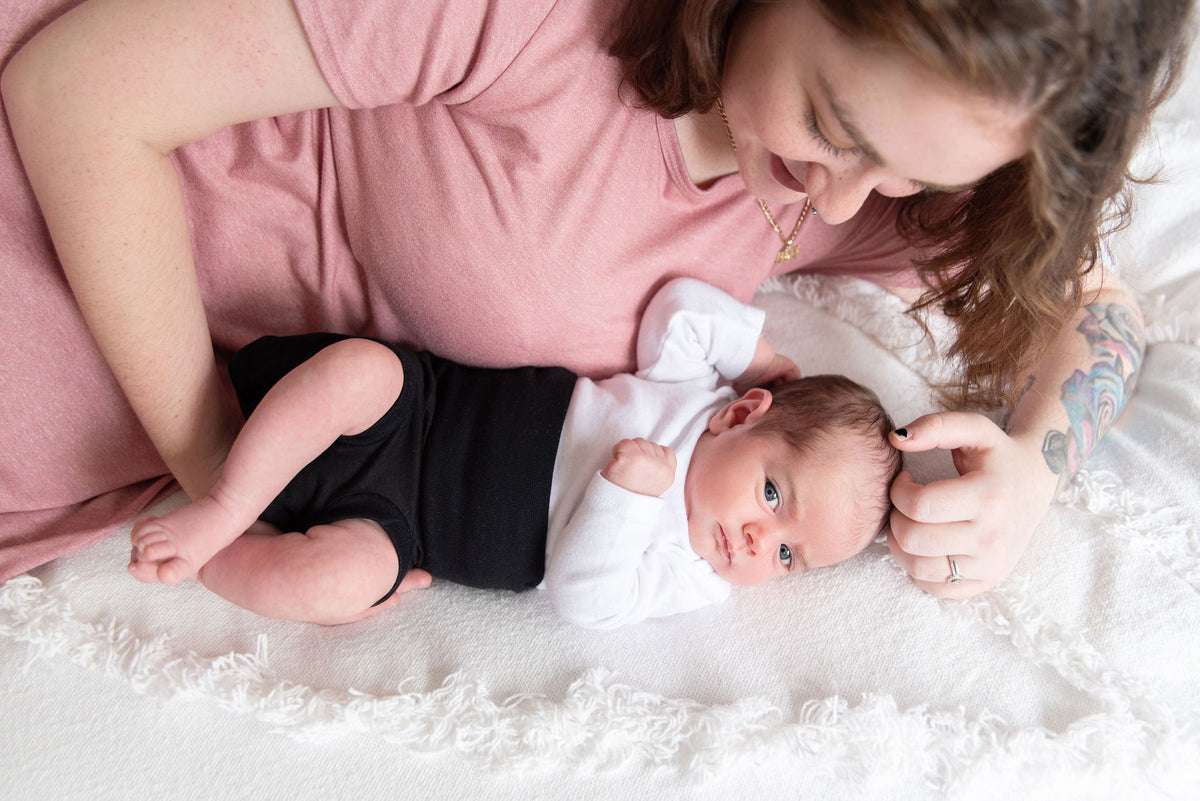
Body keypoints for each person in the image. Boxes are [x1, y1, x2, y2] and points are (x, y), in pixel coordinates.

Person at [0, 0, 1192, 598]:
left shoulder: (845, 193)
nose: (848, 192)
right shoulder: (543, 23)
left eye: (912, 177)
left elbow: (1094, 307)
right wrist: (225, 478)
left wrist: (1038, 462)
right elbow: (72, 94)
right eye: (835, 125)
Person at [126, 278, 901, 628]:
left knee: (336, 585)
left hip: (399, 527)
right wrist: (761, 356)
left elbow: (584, 599)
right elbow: (682, 309)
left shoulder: (692, 575)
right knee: (361, 370)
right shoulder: (692, 390)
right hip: (418, 412)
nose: (764, 542)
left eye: (791, 557)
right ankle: (223, 504)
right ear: (743, 415)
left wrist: (623, 499)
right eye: (774, 496)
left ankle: (215, 555)